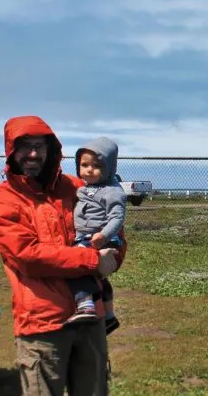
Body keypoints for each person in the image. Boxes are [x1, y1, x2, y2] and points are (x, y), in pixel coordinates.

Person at [0, 115, 125, 396]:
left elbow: (113, 228)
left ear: (52, 150)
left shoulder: (76, 188)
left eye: (40, 146)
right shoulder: (0, 201)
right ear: (10, 151)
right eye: (24, 146)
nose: (33, 153)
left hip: (91, 319)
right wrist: (95, 261)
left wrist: (114, 255)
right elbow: (28, 257)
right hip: (42, 324)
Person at [65, 137, 127, 335]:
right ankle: (109, 316)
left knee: (75, 265)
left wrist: (104, 235)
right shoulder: (85, 188)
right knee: (98, 277)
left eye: (97, 165)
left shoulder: (112, 191)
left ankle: (85, 305)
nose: (89, 170)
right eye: (84, 165)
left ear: (109, 167)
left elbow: (117, 218)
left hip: (98, 238)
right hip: (86, 236)